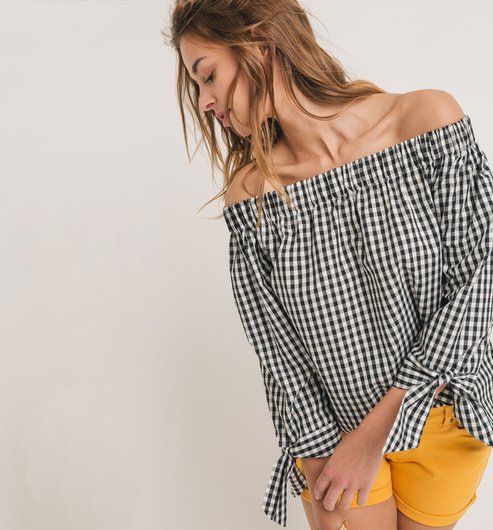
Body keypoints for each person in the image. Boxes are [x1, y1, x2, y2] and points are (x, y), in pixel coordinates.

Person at [165, 1, 493, 529]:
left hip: (446, 416)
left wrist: (375, 434)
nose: (204, 101)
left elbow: (480, 286)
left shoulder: (426, 122)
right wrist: (320, 454)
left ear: (260, 44)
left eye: (208, 76)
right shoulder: (253, 198)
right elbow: (278, 353)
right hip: (332, 436)